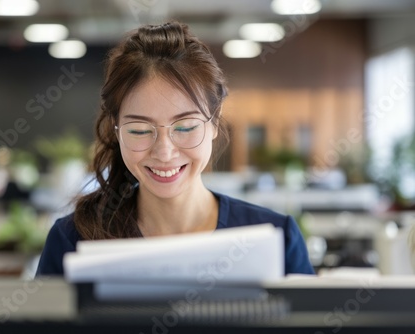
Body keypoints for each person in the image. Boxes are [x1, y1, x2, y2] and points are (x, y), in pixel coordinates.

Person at [36, 21, 314, 277]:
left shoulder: (277, 238)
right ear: (117, 129)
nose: (165, 152)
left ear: (214, 122)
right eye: (140, 130)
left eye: (185, 127)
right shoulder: (73, 240)